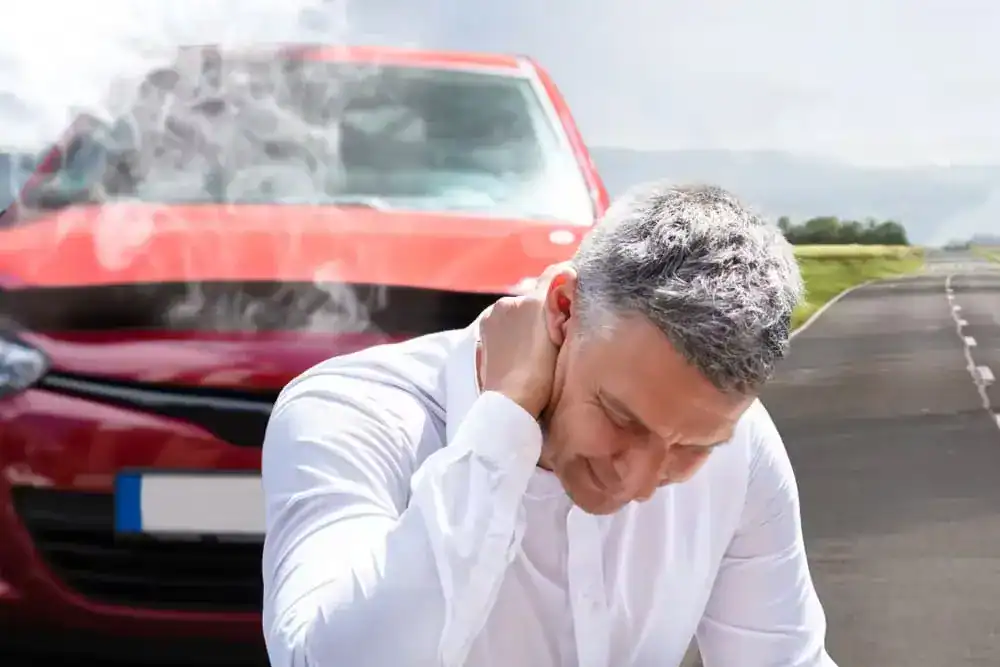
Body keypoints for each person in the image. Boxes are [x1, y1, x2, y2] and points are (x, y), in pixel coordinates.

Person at [260, 181, 838, 667]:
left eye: (692, 448)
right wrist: (503, 423)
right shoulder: (350, 413)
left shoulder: (745, 445)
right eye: (619, 417)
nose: (638, 483)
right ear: (563, 309)